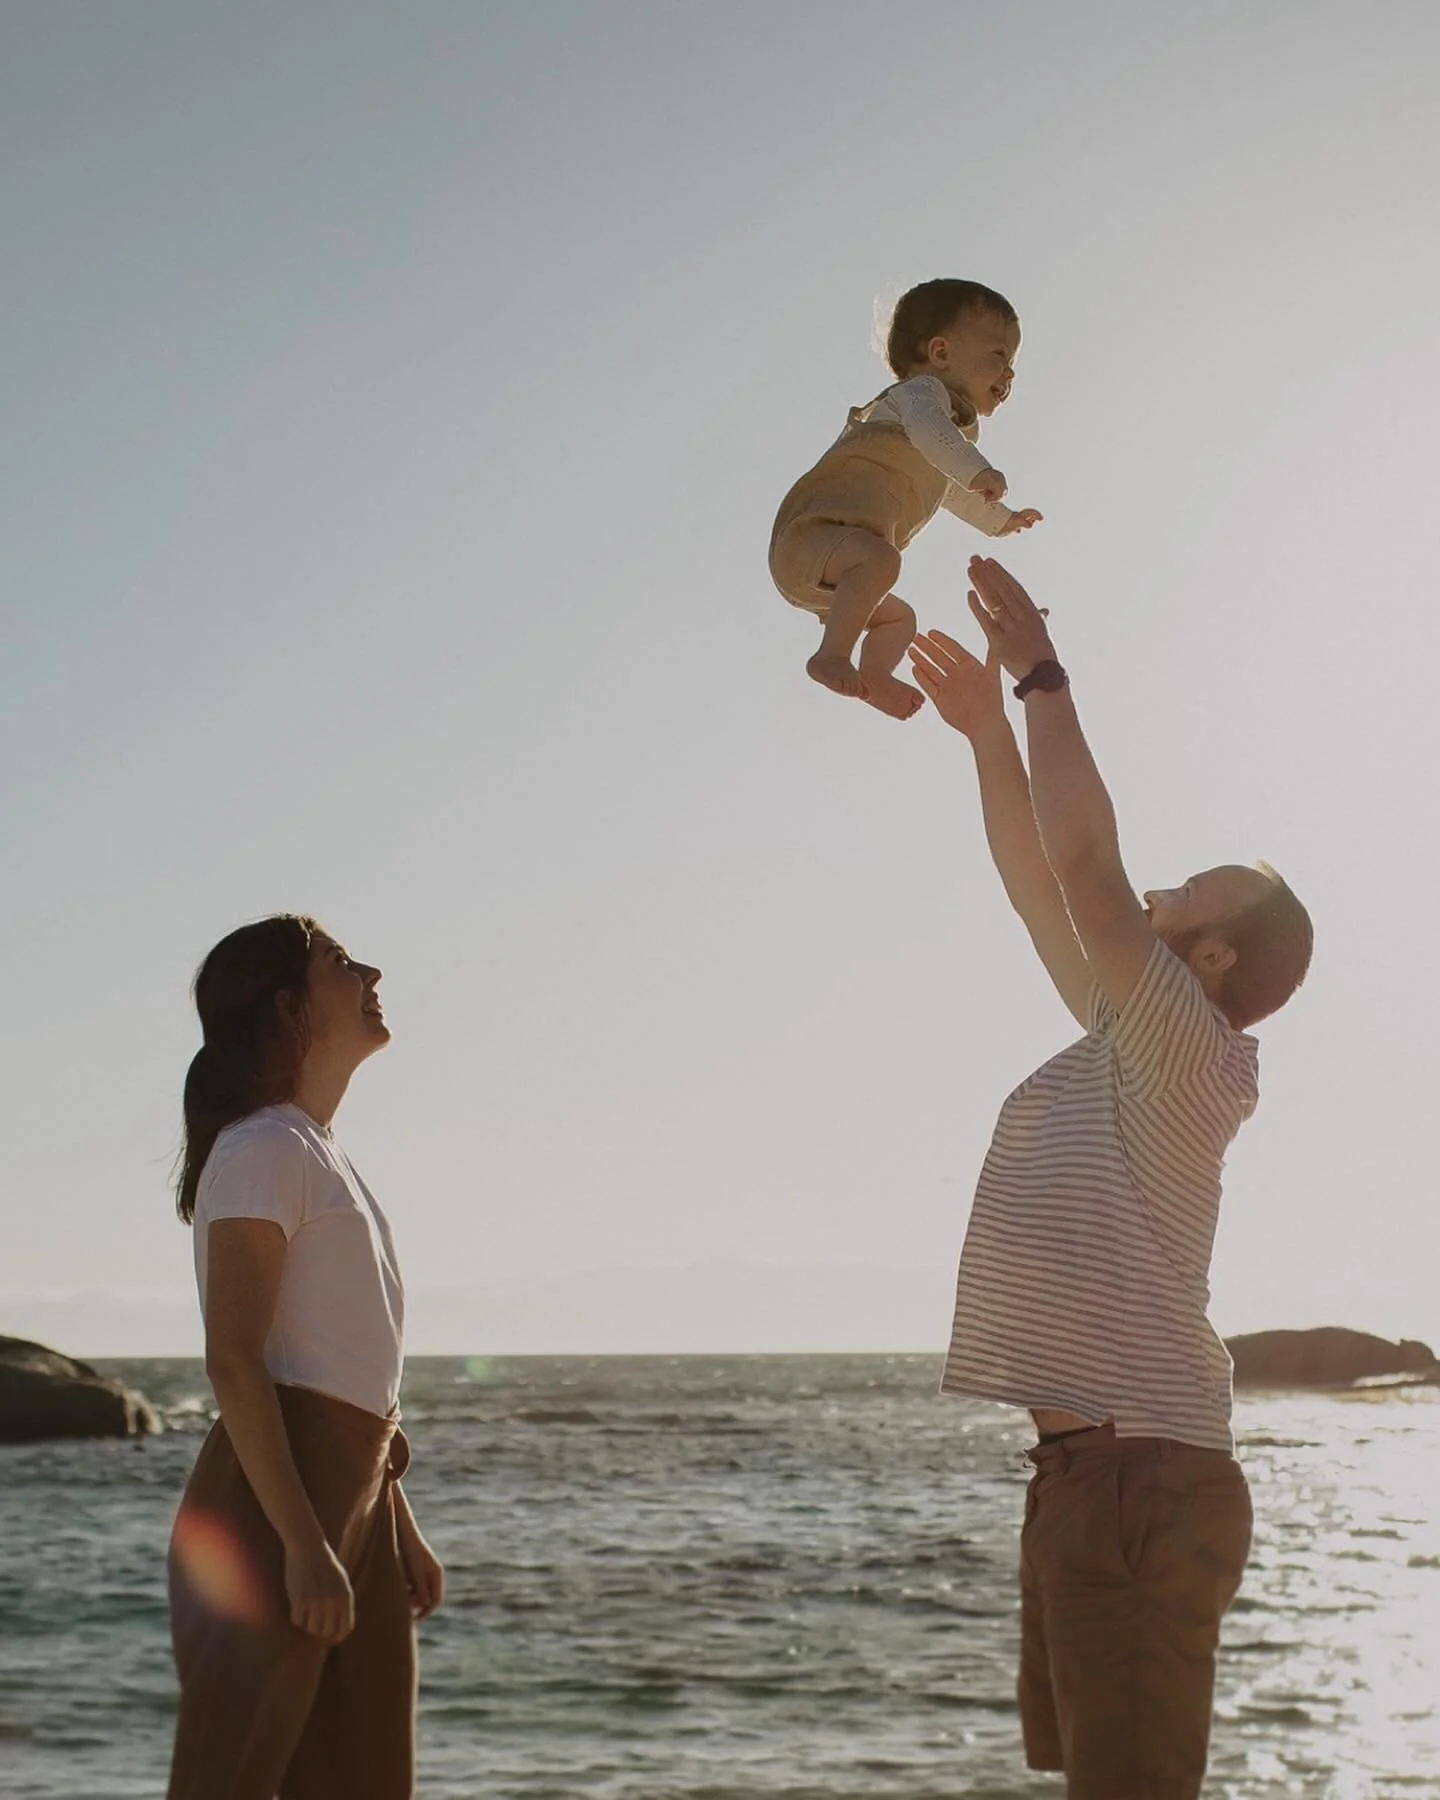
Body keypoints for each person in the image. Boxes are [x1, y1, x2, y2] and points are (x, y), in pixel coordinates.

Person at [908, 559, 1313, 1800]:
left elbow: (1085, 870)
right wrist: (988, 735)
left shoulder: (1193, 1050)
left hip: (1144, 1476)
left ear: (1217, 950)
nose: (1159, 885)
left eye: (1193, 890)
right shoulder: (1133, 1040)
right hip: (1092, 1476)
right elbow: (1045, 890)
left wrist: (1042, 678)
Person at [165, 914, 442, 1800]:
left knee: (364, 1782)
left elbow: (343, 1363)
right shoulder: (261, 1151)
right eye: (337, 961)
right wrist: (303, 1542)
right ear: (288, 1006)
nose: (369, 969)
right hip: (273, 1513)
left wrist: (391, 1526)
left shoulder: (316, 1153)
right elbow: (237, 1363)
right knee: (230, 1780)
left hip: (344, 1509)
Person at [769, 278, 1043, 719]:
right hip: (815, 540)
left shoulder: (945, 435)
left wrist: (999, 520)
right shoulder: (918, 398)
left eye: (1012, 362)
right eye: (998, 356)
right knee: (883, 562)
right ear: (940, 353)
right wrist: (979, 469)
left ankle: (874, 678)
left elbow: (952, 489)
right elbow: (936, 439)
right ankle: (831, 655)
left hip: (839, 577)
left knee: (900, 620)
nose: (1009, 372)